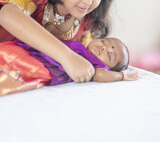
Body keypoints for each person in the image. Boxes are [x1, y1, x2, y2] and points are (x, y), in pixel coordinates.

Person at [0, 37, 138, 96]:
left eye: (109, 56)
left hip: (39, 65)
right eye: (104, 42)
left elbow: (101, 75)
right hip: (32, 50)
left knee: (12, 70)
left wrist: (121, 76)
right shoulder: (81, 47)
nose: (103, 48)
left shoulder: (95, 64)